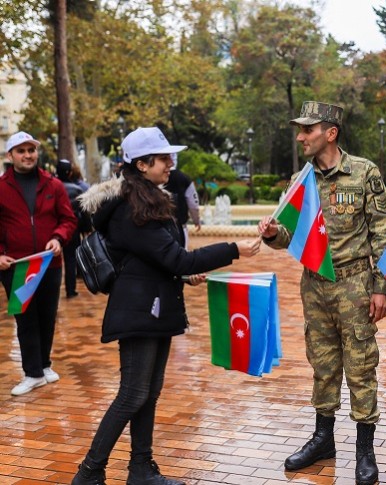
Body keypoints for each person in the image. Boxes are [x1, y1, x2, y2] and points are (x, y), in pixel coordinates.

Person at [71, 127, 261, 485]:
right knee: (132, 395)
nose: (170, 163)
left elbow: (156, 260)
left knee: (148, 394)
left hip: (154, 306)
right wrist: (232, 249)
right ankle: (89, 473)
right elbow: (177, 258)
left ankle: (141, 469)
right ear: (142, 165)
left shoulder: (147, 200)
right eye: (163, 158)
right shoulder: (131, 209)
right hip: (139, 310)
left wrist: (182, 276)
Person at [258, 101, 386, 485]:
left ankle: (365, 450)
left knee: (361, 366)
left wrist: (381, 288)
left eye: (308, 130)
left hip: (355, 285)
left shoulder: (364, 172)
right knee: (322, 364)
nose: (301, 137)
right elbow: (289, 235)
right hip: (315, 285)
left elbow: (383, 234)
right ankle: (323, 439)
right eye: (300, 130)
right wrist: (272, 234)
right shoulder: (300, 180)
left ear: (330, 133)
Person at [0, 131, 77, 396]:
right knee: (25, 320)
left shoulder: (53, 185)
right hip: (17, 266)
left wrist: (58, 238)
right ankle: (32, 373)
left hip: (49, 264)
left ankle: (44, 365)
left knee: (47, 316)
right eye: (21, 151)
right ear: (10, 156)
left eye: (31, 150)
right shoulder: (1, 187)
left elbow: (68, 220)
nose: (27, 155)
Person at [57, 159, 89, 298]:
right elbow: (84, 211)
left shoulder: (52, 187)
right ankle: (70, 290)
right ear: (70, 173)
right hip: (72, 229)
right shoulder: (76, 190)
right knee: (70, 259)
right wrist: (86, 228)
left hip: (54, 229)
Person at [165, 154, 201, 249]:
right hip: (180, 225)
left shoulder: (151, 177)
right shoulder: (183, 178)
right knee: (181, 253)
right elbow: (193, 203)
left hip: (160, 226)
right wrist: (196, 220)